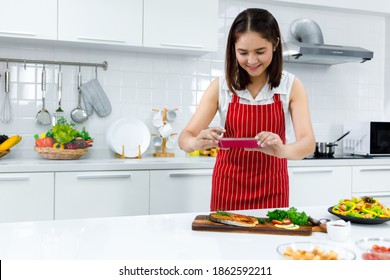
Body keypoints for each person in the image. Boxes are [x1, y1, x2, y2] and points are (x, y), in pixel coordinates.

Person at [178, 8, 315, 211]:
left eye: (260, 52)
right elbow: (184, 138)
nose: (251, 61)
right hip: (227, 188)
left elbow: (308, 144)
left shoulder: (291, 86)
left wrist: (282, 150)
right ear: (233, 48)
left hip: (273, 189)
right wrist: (196, 142)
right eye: (243, 53)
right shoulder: (221, 87)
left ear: (275, 44)